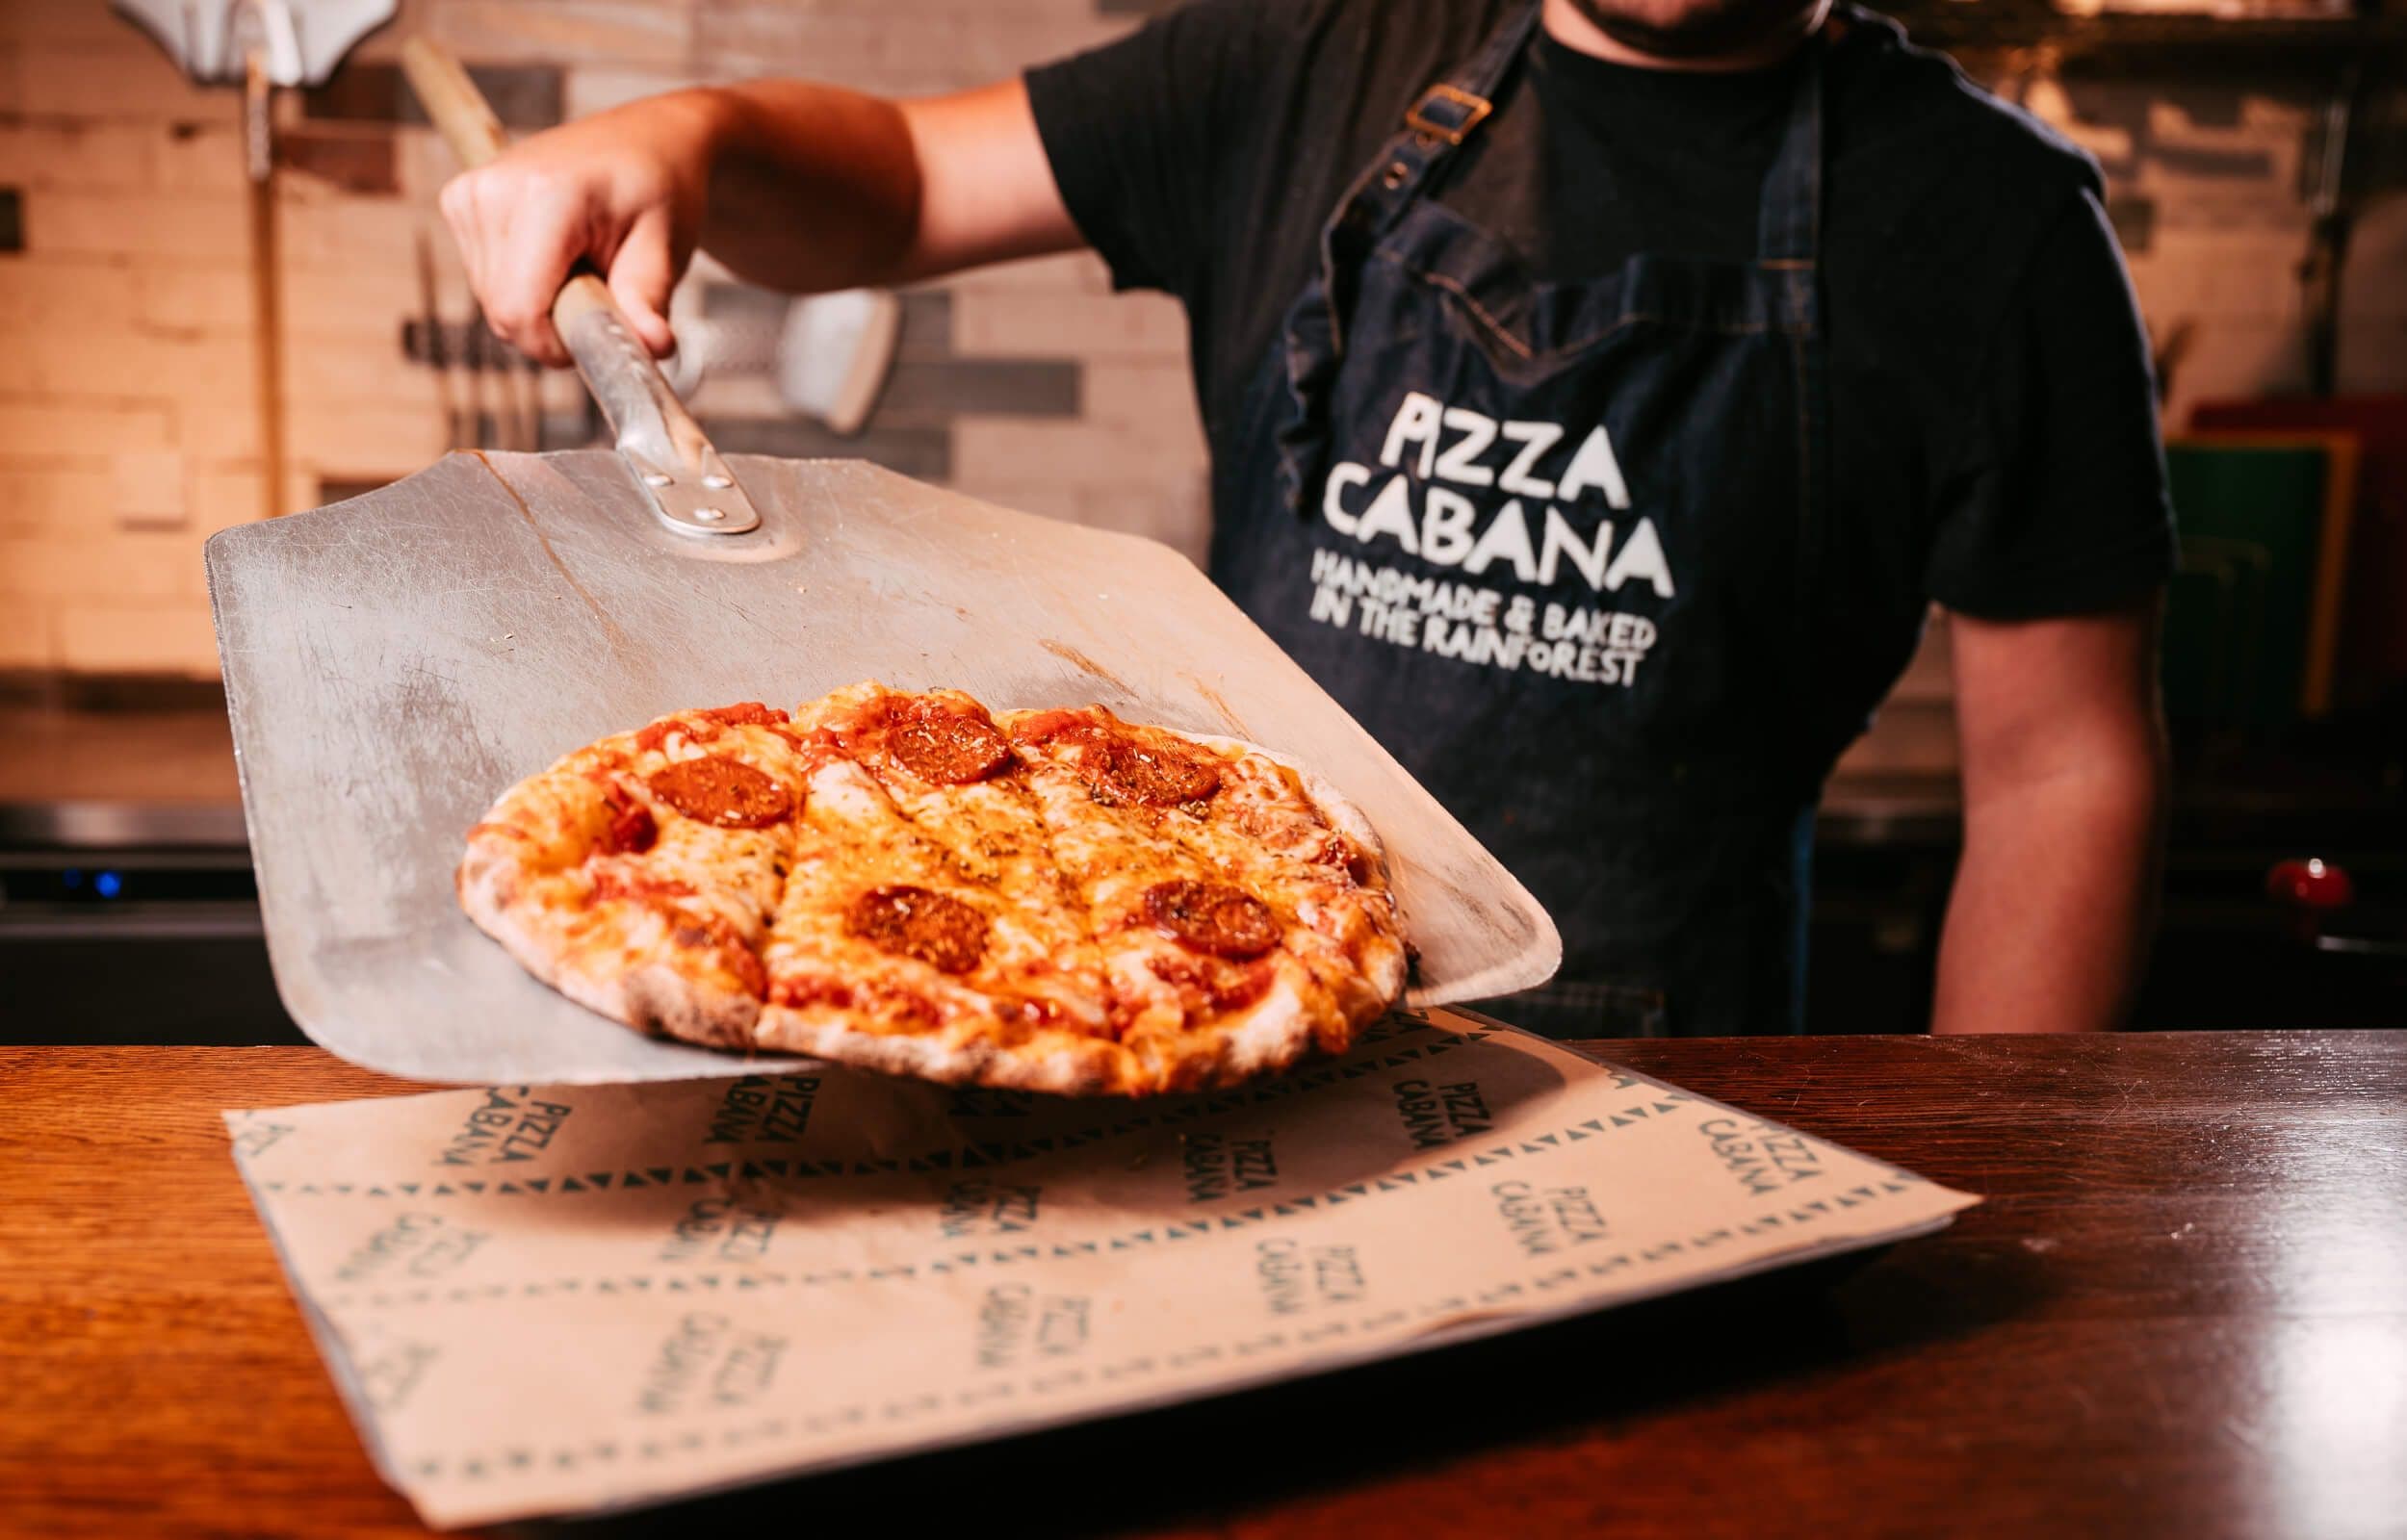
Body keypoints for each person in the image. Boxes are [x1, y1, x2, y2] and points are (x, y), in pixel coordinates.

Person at [439, 0, 2174, 1039]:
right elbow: (896, 184)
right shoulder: (1318, 53)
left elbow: (2063, 774)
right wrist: (691, 135)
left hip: (1663, 1069)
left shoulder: (1996, 230)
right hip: (1190, 971)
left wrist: (2011, 1173)